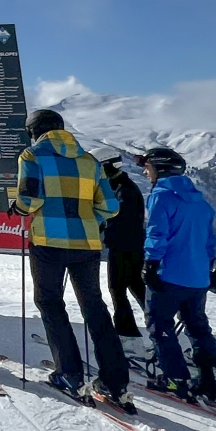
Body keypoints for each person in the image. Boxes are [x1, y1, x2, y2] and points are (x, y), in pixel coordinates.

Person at [15, 108, 133, 412]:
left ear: (34, 131)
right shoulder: (89, 160)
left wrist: (18, 207)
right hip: (87, 244)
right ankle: (115, 383)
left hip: (48, 242)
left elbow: (31, 200)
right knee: (94, 306)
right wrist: (85, 220)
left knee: (51, 303)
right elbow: (109, 205)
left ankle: (69, 375)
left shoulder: (32, 155)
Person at [136, 146, 216, 401]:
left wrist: (150, 264)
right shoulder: (201, 202)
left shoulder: (161, 196)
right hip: (197, 278)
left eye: (148, 167)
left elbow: (156, 233)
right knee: (197, 326)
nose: (145, 172)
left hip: (168, 275)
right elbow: (209, 241)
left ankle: (175, 378)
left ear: (160, 169)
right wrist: (208, 269)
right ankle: (211, 378)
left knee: (159, 323)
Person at [96, 148, 151, 358]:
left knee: (118, 289)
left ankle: (129, 336)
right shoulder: (119, 186)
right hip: (129, 247)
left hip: (126, 248)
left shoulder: (123, 190)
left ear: (108, 166)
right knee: (136, 288)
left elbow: (118, 220)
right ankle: (159, 332)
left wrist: (100, 229)